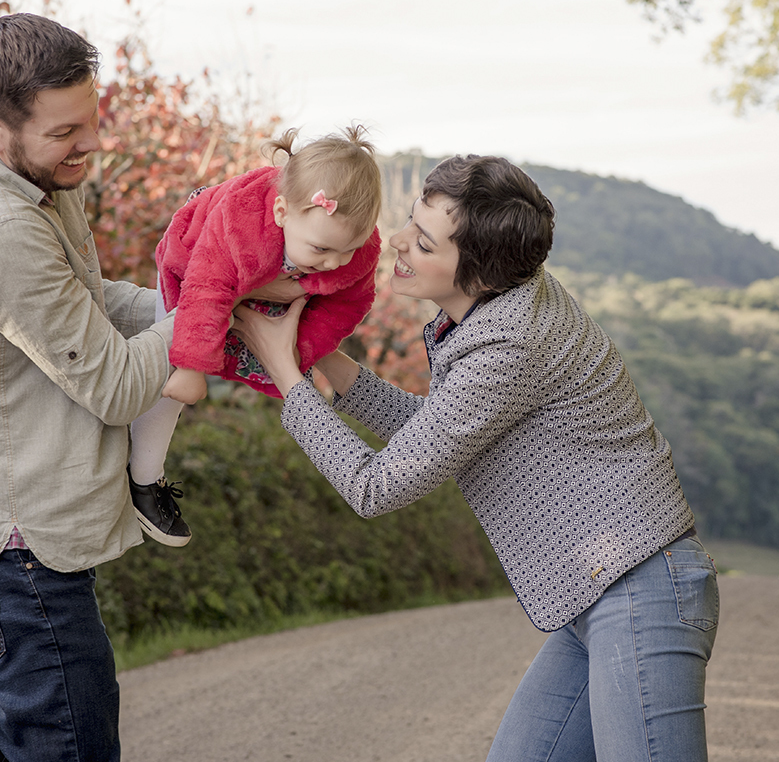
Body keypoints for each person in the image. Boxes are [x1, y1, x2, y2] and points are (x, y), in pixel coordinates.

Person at [233, 154, 720, 761]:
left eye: (425, 243)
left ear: (481, 273)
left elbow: (375, 486)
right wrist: (319, 351)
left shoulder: (510, 342)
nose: (398, 242)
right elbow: (435, 437)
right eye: (411, 223)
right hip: (593, 594)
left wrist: (284, 368)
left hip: (639, 590)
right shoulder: (498, 306)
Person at [0, 13, 179, 761]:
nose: (91, 144)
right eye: (66, 133)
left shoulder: (32, 174)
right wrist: (209, 312)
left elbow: (88, 302)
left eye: (91, 120)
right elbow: (119, 388)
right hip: (14, 554)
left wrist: (190, 306)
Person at [127, 126, 382, 546]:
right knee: (169, 378)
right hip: (196, 261)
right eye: (321, 250)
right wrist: (192, 367)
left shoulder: (353, 248)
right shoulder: (242, 225)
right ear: (282, 212)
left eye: (347, 251)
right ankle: (144, 478)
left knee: (259, 337)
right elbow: (207, 287)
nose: (334, 262)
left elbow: (349, 305)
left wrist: (297, 347)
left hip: (273, 274)